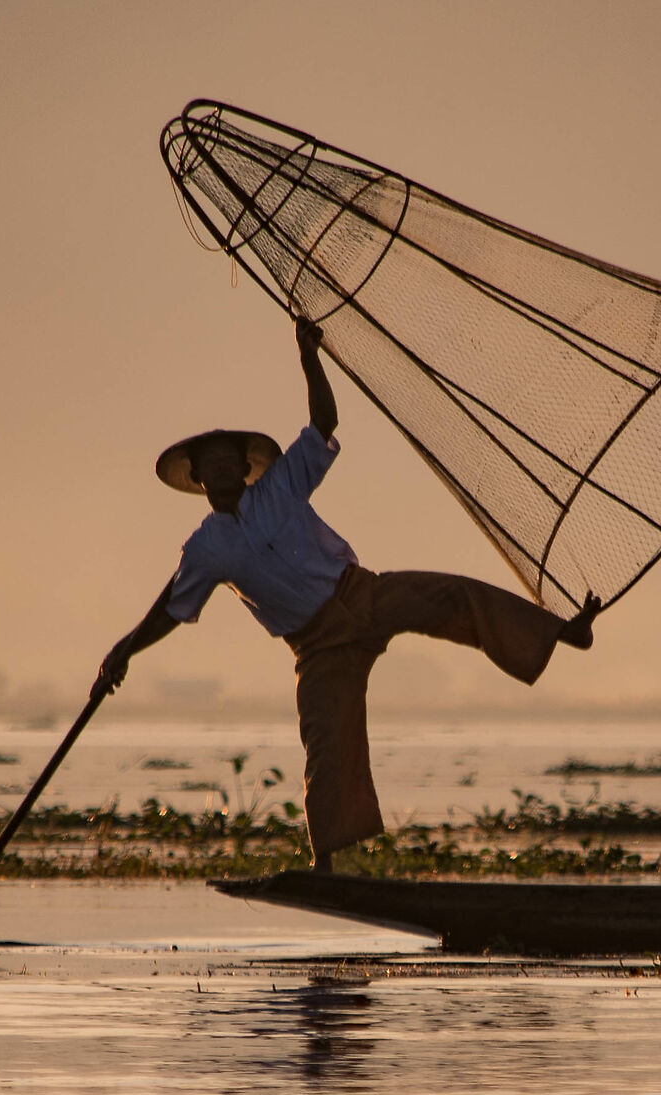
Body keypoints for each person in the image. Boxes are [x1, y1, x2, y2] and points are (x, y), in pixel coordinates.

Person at [98, 317, 599, 872]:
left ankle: (562, 632)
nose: (220, 468)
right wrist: (124, 650)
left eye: (228, 460)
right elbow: (171, 607)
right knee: (326, 744)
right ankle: (331, 865)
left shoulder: (280, 484)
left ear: (244, 469)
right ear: (198, 479)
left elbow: (323, 422)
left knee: (453, 596)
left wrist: (309, 355)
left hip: (361, 595)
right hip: (318, 647)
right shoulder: (206, 547)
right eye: (208, 464)